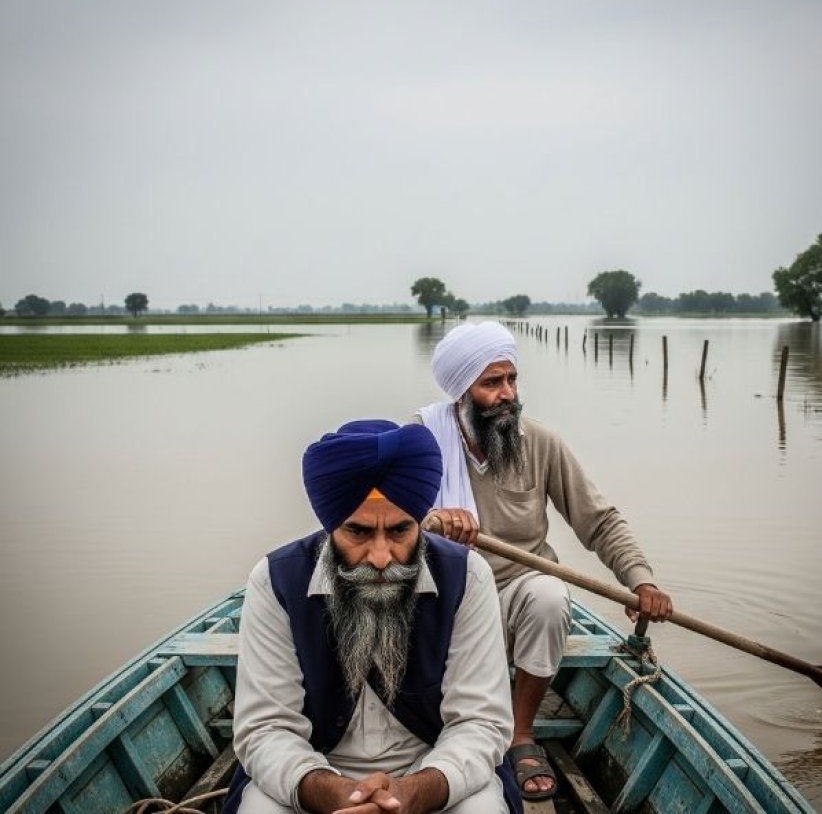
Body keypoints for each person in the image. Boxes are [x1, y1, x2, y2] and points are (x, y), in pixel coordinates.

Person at [416, 321, 674, 802]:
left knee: (550, 596)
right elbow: (378, 528)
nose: (508, 394)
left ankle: (520, 733)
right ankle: (436, 724)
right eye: (492, 383)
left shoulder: (540, 443)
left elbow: (598, 520)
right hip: (444, 594)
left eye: (512, 380)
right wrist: (430, 521)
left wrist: (641, 581)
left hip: (516, 594)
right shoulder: (419, 443)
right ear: (461, 391)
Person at [223, 419, 521, 814]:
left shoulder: (467, 577)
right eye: (358, 532)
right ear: (330, 527)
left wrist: (411, 793)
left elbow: (480, 724)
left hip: (435, 772)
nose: (381, 558)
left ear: (419, 522)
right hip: (313, 774)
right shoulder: (276, 580)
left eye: (400, 531)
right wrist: (335, 794)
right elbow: (267, 730)